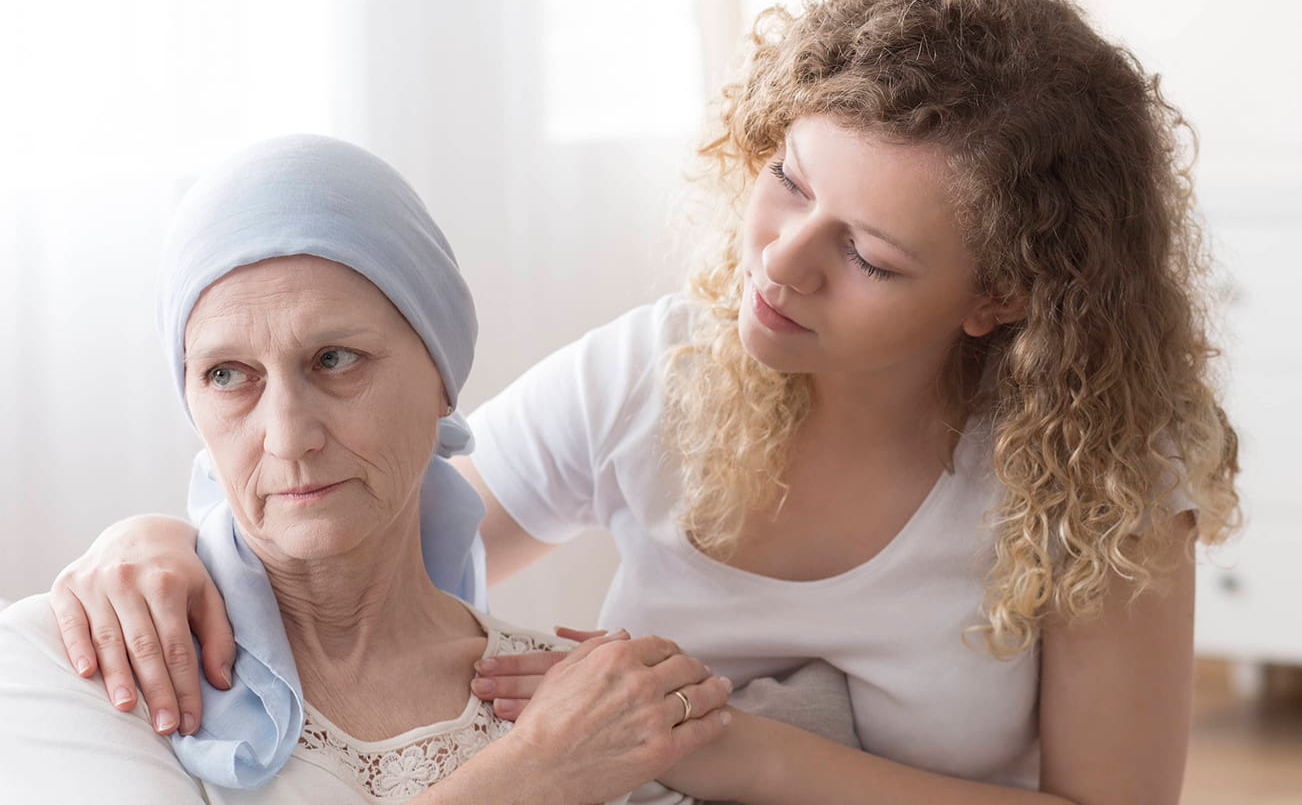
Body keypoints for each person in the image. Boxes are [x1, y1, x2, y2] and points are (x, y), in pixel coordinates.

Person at [50, 0, 1241, 804]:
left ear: (1004, 297)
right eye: (787, 179)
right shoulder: (659, 373)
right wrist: (165, 536)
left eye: (867, 255)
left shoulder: (1105, 473)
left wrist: (728, 751)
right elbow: (372, 513)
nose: (777, 259)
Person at [0, 134, 855, 804]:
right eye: (228, 376)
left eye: (335, 359)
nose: (288, 436)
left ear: (443, 376)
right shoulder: (79, 657)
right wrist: (534, 780)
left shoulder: (583, 708)